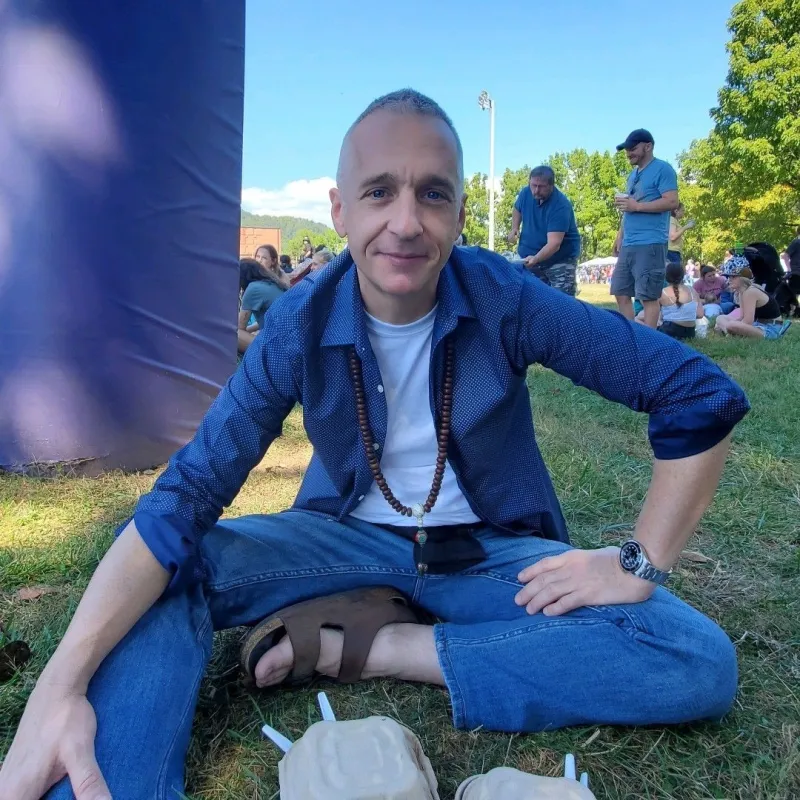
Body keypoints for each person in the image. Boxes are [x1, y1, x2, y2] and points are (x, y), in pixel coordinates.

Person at [0, 89, 750, 800]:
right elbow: (184, 500)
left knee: (693, 658)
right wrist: (58, 688)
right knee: (158, 568)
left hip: (487, 555)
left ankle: (376, 643)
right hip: (341, 543)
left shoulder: (505, 297)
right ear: (339, 210)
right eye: (378, 191)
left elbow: (697, 393)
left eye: (432, 193)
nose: (405, 221)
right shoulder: (298, 323)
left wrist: (636, 564)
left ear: (459, 211)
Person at [612, 129, 679, 328]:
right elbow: (628, 208)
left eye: (633, 148)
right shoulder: (633, 175)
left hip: (651, 242)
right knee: (620, 291)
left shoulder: (663, 169)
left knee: (648, 296)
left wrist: (638, 206)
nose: (628, 153)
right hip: (629, 243)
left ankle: (648, 341)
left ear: (648, 146)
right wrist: (619, 236)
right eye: (626, 149)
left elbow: (672, 201)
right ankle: (631, 335)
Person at [507, 166, 581, 296]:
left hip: (559, 260)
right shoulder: (525, 193)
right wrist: (514, 228)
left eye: (541, 187)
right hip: (529, 257)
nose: (536, 190)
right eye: (533, 185)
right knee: (533, 300)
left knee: (562, 302)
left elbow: (554, 244)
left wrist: (536, 258)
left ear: (551, 185)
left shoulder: (560, 205)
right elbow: (517, 209)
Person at [715, 257, 791, 340]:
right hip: (758, 324)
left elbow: (748, 321)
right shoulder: (742, 291)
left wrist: (732, 325)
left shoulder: (750, 291)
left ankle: (730, 334)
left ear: (743, 278)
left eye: (733, 277)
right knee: (720, 318)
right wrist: (731, 323)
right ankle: (730, 333)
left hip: (771, 328)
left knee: (731, 325)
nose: (729, 280)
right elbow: (742, 316)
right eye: (728, 277)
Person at [237, 255, 287, 353]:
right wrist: (249, 331)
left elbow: (239, 327)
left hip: (277, 347)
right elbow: (264, 320)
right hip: (286, 340)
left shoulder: (252, 289)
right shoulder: (272, 283)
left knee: (233, 334)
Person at [657, 263, 704, 339]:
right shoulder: (692, 290)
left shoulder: (662, 292)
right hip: (690, 333)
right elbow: (700, 314)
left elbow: (655, 314)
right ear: (683, 275)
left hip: (669, 331)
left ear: (666, 276)